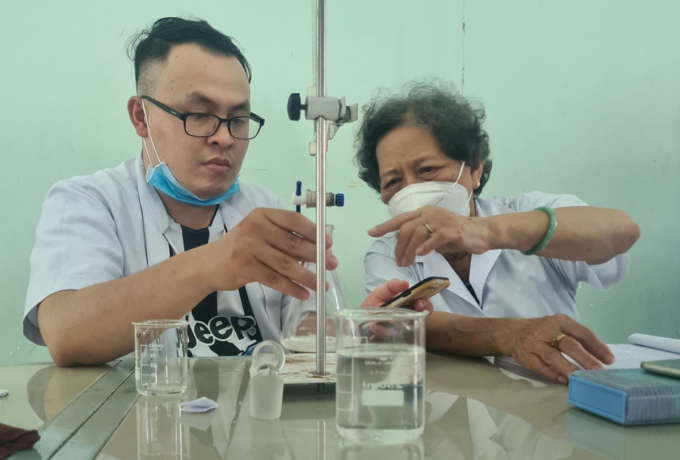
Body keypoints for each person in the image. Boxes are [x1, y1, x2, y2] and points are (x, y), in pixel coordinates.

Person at [23, 17, 426, 367]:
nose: (223, 137)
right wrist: (211, 264)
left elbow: (303, 339)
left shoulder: (267, 210)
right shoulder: (90, 202)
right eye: (199, 115)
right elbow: (65, 334)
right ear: (140, 116)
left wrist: (354, 331)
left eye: (238, 119)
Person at [355, 83, 641, 383]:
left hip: (557, 408)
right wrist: (508, 334)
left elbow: (622, 231)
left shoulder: (529, 212)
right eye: (393, 181)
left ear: (475, 169)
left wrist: (489, 232)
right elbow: (409, 324)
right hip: (447, 419)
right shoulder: (388, 252)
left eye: (426, 170)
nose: (412, 191)